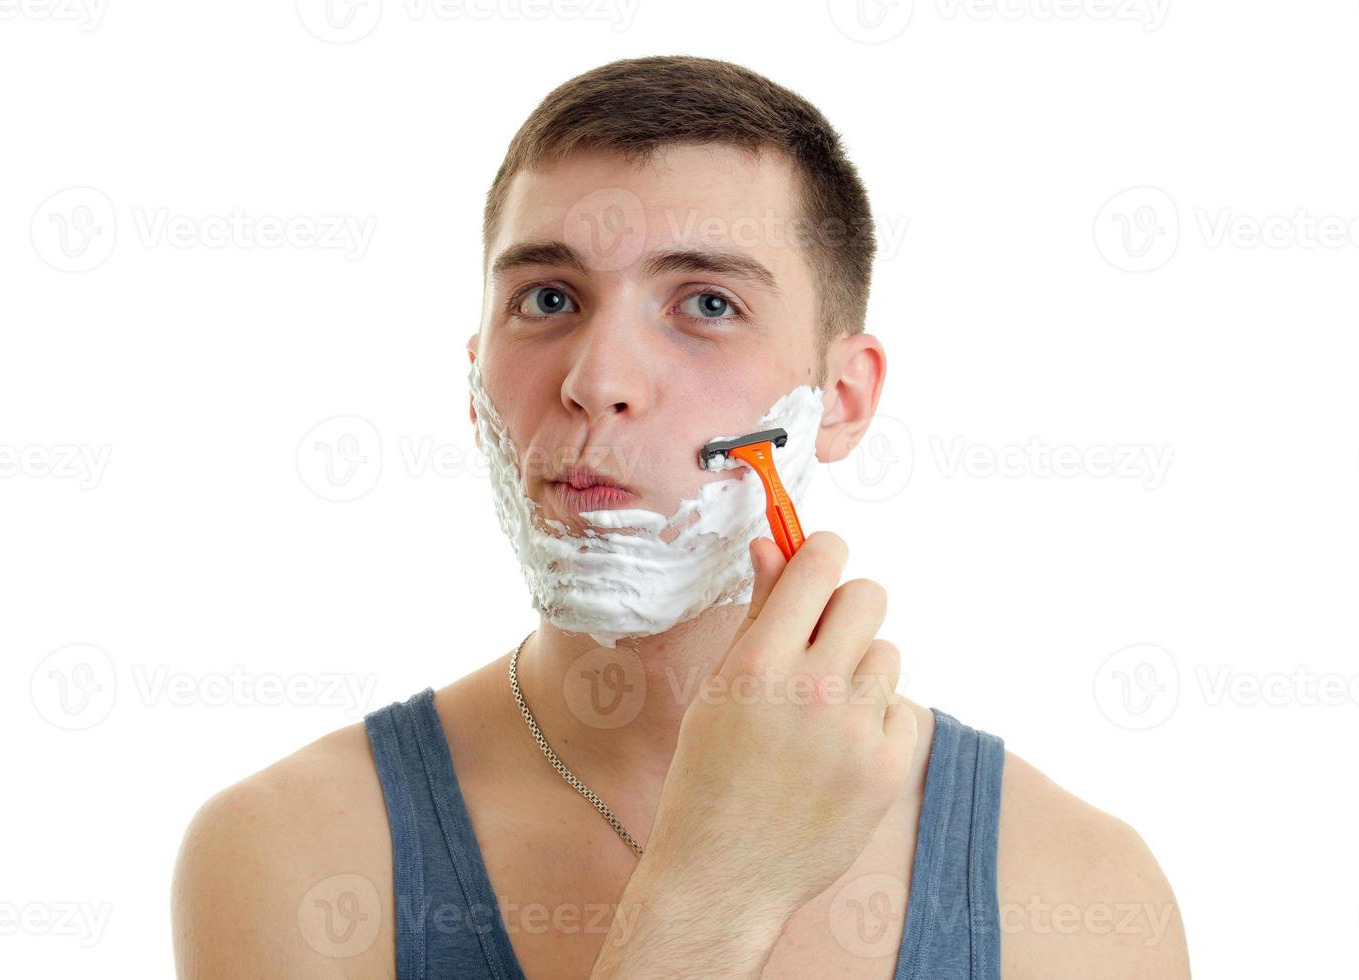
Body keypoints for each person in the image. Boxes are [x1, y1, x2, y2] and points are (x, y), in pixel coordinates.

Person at [171, 55, 1190, 979]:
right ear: (474, 376)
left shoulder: (1081, 893)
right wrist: (714, 893)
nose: (597, 380)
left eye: (706, 303)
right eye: (548, 297)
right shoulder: (291, 853)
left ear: (842, 399)